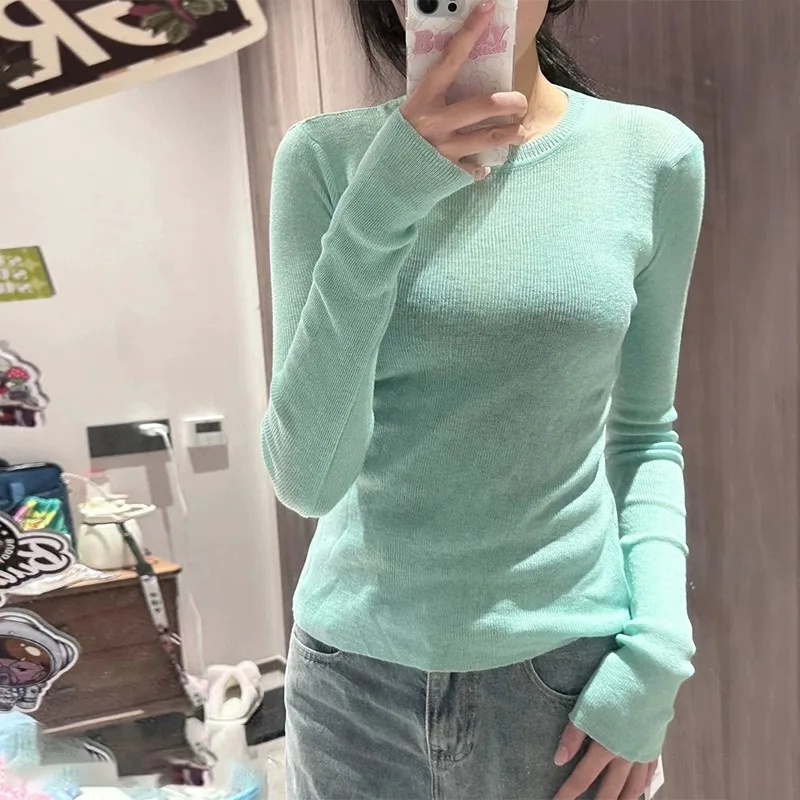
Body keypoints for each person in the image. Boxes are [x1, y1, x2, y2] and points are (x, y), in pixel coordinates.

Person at [263, 1, 705, 798]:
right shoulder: (325, 160)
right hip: (351, 685)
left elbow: (643, 435)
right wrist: (383, 198)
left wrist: (657, 657)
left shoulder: (652, 156)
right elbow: (309, 480)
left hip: (563, 680)